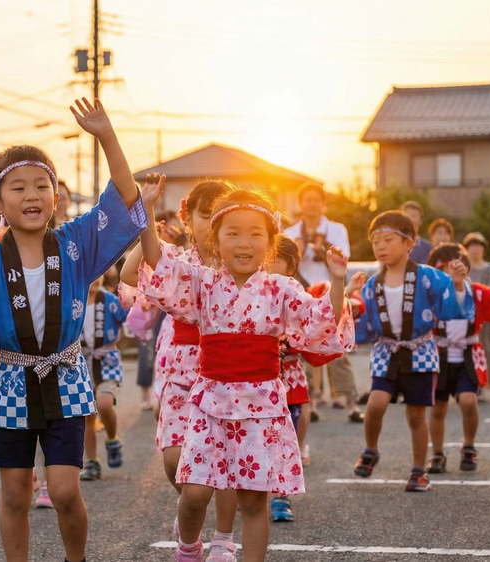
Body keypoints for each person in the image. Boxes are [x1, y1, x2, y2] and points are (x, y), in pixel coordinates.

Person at [0, 98, 146, 562]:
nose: (33, 195)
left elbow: (124, 200)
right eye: (18, 188)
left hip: (66, 376)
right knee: (17, 494)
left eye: (43, 185)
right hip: (9, 381)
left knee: (63, 491)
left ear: (56, 196)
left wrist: (106, 136)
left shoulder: (76, 244)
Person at [137, 183, 353, 562]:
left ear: (269, 244)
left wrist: (337, 281)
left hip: (262, 405)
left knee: (254, 500)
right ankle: (188, 547)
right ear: (215, 241)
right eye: (232, 232)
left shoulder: (282, 289)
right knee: (194, 493)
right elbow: (160, 267)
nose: (244, 242)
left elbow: (320, 321)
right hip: (210, 402)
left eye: (255, 234)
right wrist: (147, 211)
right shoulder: (202, 282)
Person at [121, 177, 239, 562]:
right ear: (189, 220)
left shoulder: (239, 263)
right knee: (175, 461)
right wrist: (149, 223)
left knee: (225, 460)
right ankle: (190, 510)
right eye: (206, 215)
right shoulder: (176, 258)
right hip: (181, 367)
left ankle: (222, 538)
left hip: (225, 370)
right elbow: (127, 275)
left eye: (221, 216)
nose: (212, 223)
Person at [353, 210, 471, 492]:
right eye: (375, 241)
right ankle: (370, 450)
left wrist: (457, 283)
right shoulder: (372, 285)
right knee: (375, 403)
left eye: (387, 240)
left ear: (410, 243)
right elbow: (364, 324)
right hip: (386, 351)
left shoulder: (430, 277)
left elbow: (454, 308)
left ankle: (419, 471)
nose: (380, 246)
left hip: (420, 351)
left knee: (416, 415)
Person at [268, 236, 359, 524]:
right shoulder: (242, 287)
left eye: (274, 257)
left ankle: (280, 494)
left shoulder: (293, 293)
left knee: (288, 434)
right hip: (250, 377)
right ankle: (246, 490)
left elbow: (322, 318)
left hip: (288, 373)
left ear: (292, 266)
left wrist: (339, 281)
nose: (267, 262)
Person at [425, 243, 490, 474]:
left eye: (459, 268)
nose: (452, 274)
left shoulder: (477, 292)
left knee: (469, 401)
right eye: (445, 270)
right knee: (438, 407)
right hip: (438, 355)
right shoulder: (429, 295)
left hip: (467, 355)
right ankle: (437, 452)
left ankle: (468, 447)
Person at [284, 183, 362, 423]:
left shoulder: (336, 229)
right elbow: (289, 260)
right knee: (304, 346)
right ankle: (313, 402)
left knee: (336, 347)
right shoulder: (290, 232)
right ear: (300, 204)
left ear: (323, 203)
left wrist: (315, 248)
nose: (311, 204)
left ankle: (350, 402)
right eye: (306, 199)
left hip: (331, 291)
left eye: (316, 199)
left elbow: (342, 256)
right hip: (303, 291)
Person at [78, 275, 130, 481]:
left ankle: (112, 439)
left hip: (107, 358)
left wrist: (134, 300)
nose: (95, 278)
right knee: (86, 416)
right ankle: (91, 462)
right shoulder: (73, 300)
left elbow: (130, 316)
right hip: (80, 361)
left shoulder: (109, 300)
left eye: (99, 273)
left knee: (105, 403)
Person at [464, 232, 490, 386]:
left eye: (478, 246)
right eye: (471, 246)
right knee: (464, 350)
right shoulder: (463, 268)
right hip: (464, 316)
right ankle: (466, 383)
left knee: (485, 348)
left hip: (484, 317)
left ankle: (482, 383)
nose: (475, 249)